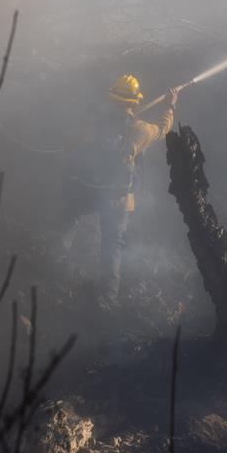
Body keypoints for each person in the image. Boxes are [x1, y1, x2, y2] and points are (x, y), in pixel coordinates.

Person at [59, 74, 177, 308]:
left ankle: (55, 266)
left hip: (86, 189)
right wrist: (170, 106)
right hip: (117, 198)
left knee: (69, 223)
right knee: (112, 246)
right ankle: (107, 300)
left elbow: (74, 144)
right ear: (134, 102)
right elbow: (163, 129)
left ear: (112, 98)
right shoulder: (139, 129)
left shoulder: (95, 123)